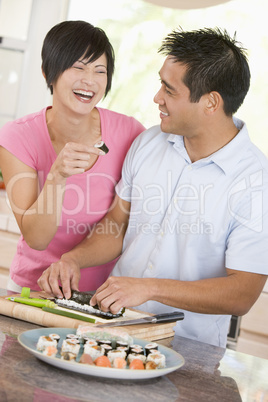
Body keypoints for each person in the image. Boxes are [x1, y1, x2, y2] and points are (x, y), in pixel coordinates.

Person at [38, 27, 268, 348]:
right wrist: (73, 259)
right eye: (161, 83)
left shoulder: (256, 180)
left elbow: (242, 293)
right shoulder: (149, 142)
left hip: (190, 348)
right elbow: (117, 228)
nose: (157, 97)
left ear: (211, 102)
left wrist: (150, 288)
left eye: (169, 90)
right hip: (113, 330)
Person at [0, 20, 145, 293]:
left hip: (103, 296)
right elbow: (37, 239)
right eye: (78, 67)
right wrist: (57, 177)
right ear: (48, 72)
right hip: (35, 291)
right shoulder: (17, 137)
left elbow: (122, 224)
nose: (89, 80)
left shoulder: (130, 133)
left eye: (99, 70)